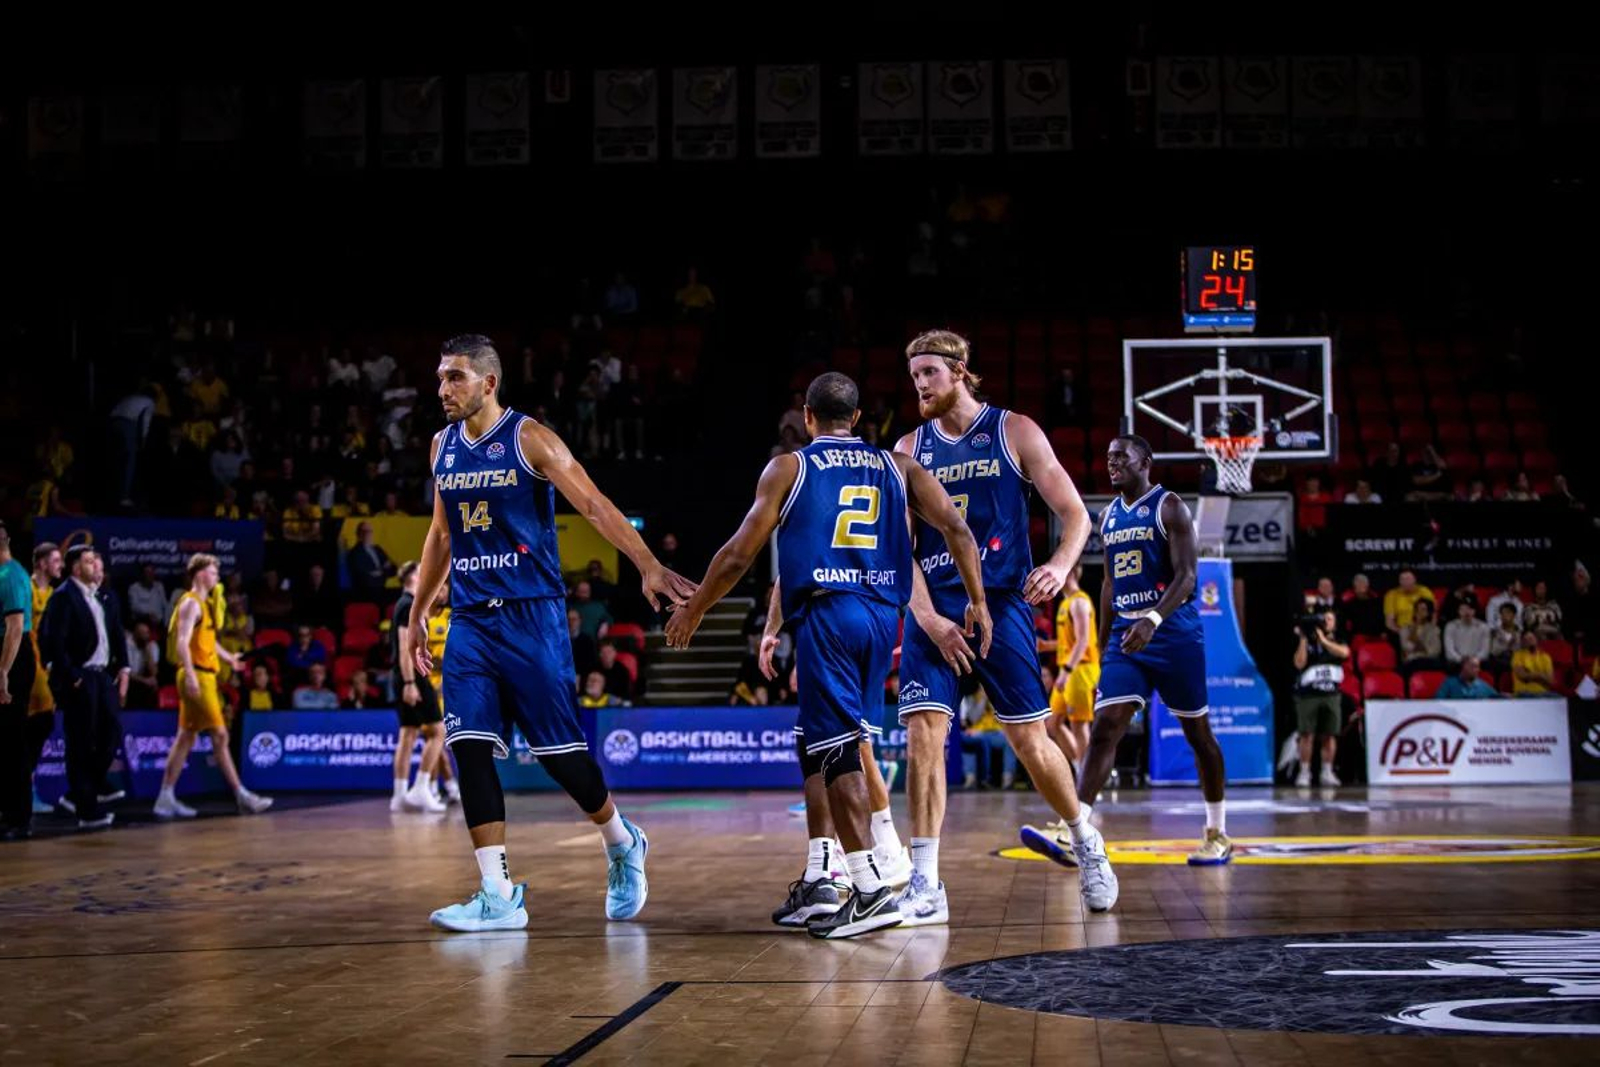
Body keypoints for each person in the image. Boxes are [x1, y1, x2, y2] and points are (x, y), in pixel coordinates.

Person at [666, 371, 989, 939]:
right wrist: (978, 601)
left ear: (808, 418)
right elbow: (958, 530)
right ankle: (820, 878)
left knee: (838, 751)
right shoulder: (900, 466)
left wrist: (695, 609)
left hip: (830, 615)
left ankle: (867, 888)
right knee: (819, 739)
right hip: (880, 619)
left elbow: (739, 555)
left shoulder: (790, 467)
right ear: (858, 419)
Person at [411, 335, 695, 932]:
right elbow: (440, 535)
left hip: (531, 615)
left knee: (559, 757)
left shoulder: (529, 438)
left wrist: (647, 564)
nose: (443, 389)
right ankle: (497, 894)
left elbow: (593, 504)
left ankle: (621, 840)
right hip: (470, 619)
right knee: (467, 746)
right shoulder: (441, 446)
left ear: (489, 383)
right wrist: (417, 614)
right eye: (440, 377)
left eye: (455, 377)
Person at [893, 330, 1117, 919]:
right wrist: (927, 618)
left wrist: (1058, 565)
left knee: (1029, 740)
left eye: (929, 372)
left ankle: (1083, 837)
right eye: (913, 375)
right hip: (935, 608)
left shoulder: (1013, 430)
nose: (920, 384)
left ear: (960, 370)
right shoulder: (909, 448)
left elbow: (1076, 515)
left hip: (1001, 601)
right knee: (923, 734)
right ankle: (925, 882)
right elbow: (899, 550)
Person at [1075, 435, 1233, 864]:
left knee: (1198, 735)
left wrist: (1153, 620)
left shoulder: (1170, 507)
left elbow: (1187, 577)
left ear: (1145, 462)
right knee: (1106, 725)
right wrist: (1104, 643)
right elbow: (1109, 583)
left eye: (1121, 457)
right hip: (1126, 634)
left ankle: (1217, 831)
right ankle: (1077, 829)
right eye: (1108, 457)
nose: (1112, 463)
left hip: (1174, 632)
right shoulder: (1107, 516)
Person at [153, 554, 273, 818]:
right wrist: (191, 675)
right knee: (220, 734)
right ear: (199, 574)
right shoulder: (190, 603)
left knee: (186, 737)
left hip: (205, 674)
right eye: (213, 572)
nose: (217, 577)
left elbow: (207, 640)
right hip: (196, 675)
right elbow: (182, 642)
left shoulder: (206, 604)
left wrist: (229, 657)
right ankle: (241, 795)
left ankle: (165, 797)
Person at [38, 546, 128, 829]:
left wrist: (119, 669)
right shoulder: (64, 596)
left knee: (111, 734)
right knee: (80, 743)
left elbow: (112, 634)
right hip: (80, 677)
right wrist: (71, 675)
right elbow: (52, 641)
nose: (95, 566)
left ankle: (79, 793)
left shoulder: (96, 595)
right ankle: (87, 812)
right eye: (89, 562)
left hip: (101, 676)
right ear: (76, 567)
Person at [391, 561, 448, 813]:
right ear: (414, 577)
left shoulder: (402, 603)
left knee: (408, 734)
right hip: (413, 675)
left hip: (404, 675)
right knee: (438, 731)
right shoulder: (409, 605)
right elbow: (406, 647)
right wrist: (410, 683)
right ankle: (422, 787)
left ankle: (399, 795)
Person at [0, 521, 40, 839]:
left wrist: (2, 672)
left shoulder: (11, 575)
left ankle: (18, 817)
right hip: (8, 654)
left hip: (13, 657)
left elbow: (15, 628)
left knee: (12, 739)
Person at [1046, 565, 1098, 778]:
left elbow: (1083, 640)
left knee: (1079, 724)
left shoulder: (1079, 602)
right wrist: (1046, 646)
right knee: (1052, 724)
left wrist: (1066, 672)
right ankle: (1079, 765)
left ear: (1072, 573)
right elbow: (1070, 642)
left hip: (1079, 670)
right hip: (1068, 669)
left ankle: (1087, 778)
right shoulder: (1065, 603)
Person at [1292, 610, 1349, 787]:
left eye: (1330, 619)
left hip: (1331, 694)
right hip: (1309, 695)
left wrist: (1323, 640)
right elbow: (1299, 663)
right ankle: (1304, 772)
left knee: (1329, 735)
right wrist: (1303, 638)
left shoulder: (1338, 640)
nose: (1326, 622)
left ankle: (1327, 771)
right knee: (1306, 734)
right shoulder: (1308, 641)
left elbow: (1344, 653)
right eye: (1324, 619)